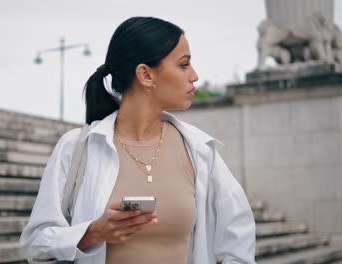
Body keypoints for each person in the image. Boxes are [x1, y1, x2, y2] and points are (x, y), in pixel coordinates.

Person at [20, 16, 256, 264]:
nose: (194, 76)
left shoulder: (199, 150)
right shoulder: (77, 146)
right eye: (184, 65)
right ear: (145, 75)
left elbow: (238, 241)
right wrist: (92, 233)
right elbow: (36, 242)